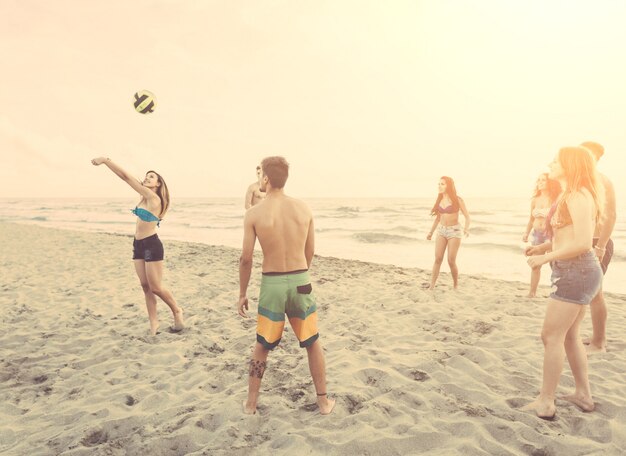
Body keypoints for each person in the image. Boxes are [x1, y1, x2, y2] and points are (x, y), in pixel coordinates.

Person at [237, 156, 335, 416]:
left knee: (263, 344)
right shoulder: (303, 209)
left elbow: (246, 258)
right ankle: (324, 402)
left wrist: (242, 293)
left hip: (272, 284)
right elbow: (310, 250)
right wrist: (301, 276)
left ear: (266, 179)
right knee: (312, 342)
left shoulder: (254, 214)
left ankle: (251, 404)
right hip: (301, 279)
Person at [523, 146, 603, 419]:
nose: (551, 163)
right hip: (574, 271)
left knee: (551, 336)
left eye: (556, 160)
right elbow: (566, 236)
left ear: (570, 165)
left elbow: (582, 243)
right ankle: (583, 395)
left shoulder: (579, 195)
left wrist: (546, 259)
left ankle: (546, 402)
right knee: (569, 336)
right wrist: (543, 247)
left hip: (576, 272)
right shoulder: (568, 194)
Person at [91, 157, 184, 336]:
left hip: (152, 244)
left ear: (158, 184)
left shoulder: (153, 198)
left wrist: (106, 161)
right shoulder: (144, 197)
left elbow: (125, 177)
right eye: (146, 176)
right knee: (145, 286)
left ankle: (176, 310)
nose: (147, 178)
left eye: (152, 177)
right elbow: (129, 178)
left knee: (156, 287)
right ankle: (153, 324)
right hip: (138, 244)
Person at [580, 141, 616, 353]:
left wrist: (601, 246)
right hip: (580, 242)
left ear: (596, 158)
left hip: (597, 242)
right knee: (582, 293)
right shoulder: (578, 181)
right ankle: (593, 335)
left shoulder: (603, 181)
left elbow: (611, 215)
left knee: (596, 293)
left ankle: (599, 342)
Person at [426, 176, 470, 289]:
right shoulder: (439, 200)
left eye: (442, 184)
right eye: (439, 184)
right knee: (438, 258)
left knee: (451, 260)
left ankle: (455, 285)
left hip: (454, 232)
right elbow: (437, 219)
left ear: (448, 186)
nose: (439, 186)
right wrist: (430, 232)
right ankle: (432, 286)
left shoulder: (458, 200)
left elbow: (467, 217)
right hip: (441, 231)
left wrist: (466, 228)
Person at [522, 173, 561, 297]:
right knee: (535, 264)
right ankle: (532, 293)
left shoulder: (556, 198)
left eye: (543, 180)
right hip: (537, 234)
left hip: (550, 235)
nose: (540, 182)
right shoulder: (535, 200)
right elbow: (531, 218)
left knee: (554, 264)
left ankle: (557, 292)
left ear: (549, 182)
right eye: (538, 180)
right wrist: (526, 233)